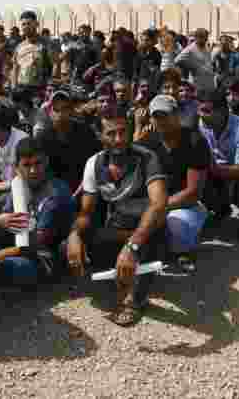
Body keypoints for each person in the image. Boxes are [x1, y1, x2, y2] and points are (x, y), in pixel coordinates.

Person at [64, 103, 169, 327]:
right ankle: (121, 269)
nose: (119, 139)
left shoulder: (147, 158)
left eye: (123, 132)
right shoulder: (95, 164)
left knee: (145, 241)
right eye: (111, 133)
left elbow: (159, 204)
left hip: (147, 229)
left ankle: (135, 300)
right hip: (118, 227)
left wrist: (133, 245)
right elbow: (86, 211)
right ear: (100, 136)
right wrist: (74, 235)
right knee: (82, 239)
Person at [0, 137, 76, 288]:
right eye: (26, 165)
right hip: (17, 246)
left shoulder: (56, 194)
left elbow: (32, 245)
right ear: (17, 167)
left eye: (38, 164)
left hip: (43, 257)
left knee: (8, 268)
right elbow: (5, 225)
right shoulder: (18, 186)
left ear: (46, 162)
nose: (33, 170)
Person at [144, 94, 212, 272]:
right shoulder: (147, 143)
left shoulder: (195, 141)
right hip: (156, 203)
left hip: (188, 205)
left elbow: (193, 193)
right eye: (156, 116)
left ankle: (184, 250)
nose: (161, 121)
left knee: (176, 223)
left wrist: (158, 208)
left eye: (165, 115)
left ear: (177, 115)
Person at [197, 87, 239, 243]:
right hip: (217, 172)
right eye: (199, 110)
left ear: (222, 111)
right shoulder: (202, 124)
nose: (200, 115)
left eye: (206, 111)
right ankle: (221, 210)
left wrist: (213, 168)